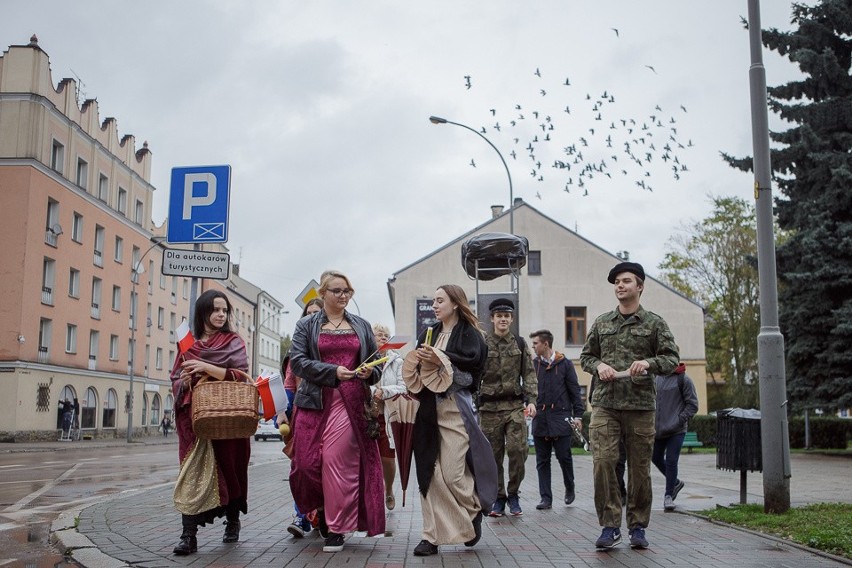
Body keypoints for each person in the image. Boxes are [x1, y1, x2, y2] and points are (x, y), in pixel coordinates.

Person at [580, 261, 678, 550]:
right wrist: (599, 367)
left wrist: (648, 362)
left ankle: (637, 527)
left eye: (626, 281)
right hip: (606, 405)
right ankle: (610, 526)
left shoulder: (654, 323)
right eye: (616, 282)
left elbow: (671, 359)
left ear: (640, 287)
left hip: (640, 406)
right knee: (603, 464)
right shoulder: (602, 323)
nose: (620, 286)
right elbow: (586, 357)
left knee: (639, 469)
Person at [288, 271, 385, 553]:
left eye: (347, 291)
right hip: (314, 400)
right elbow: (298, 362)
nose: (343, 296)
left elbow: (377, 365)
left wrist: (369, 372)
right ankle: (321, 509)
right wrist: (332, 371)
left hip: (351, 401)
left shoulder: (362, 325)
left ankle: (336, 527)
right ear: (323, 293)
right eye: (337, 291)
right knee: (305, 466)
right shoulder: (306, 325)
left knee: (336, 462)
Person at [407, 284, 497, 557]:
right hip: (427, 413)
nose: (434, 305)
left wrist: (442, 363)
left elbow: (471, 378)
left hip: (455, 409)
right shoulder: (428, 334)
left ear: (455, 303)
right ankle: (430, 537)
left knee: (453, 473)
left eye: (439, 300)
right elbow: (419, 373)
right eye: (433, 301)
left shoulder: (471, 336)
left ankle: (473, 511)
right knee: (429, 473)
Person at [170, 289, 251, 556]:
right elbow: (176, 378)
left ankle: (233, 521)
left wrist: (205, 367)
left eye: (224, 310)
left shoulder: (234, 341)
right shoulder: (187, 344)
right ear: (203, 311)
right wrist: (183, 381)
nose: (220, 314)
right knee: (192, 472)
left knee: (229, 470)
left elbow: (241, 376)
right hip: (195, 420)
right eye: (215, 309)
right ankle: (188, 536)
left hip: (227, 418)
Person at [479, 298, 537, 517]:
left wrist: (531, 401)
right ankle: (499, 498)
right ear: (492, 318)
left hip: (514, 406)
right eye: (499, 316)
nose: (503, 319)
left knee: (518, 450)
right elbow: (476, 376)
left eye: (507, 316)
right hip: (490, 408)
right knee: (493, 456)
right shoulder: (483, 344)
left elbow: (529, 374)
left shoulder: (520, 344)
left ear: (511, 319)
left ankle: (513, 493)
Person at [528, 329, 585, 510]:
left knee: (564, 457)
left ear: (545, 344)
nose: (533, 347)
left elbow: (575, 391)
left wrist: (578, 416)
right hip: (540, 418)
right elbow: (528, 390)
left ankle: (570, 487)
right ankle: (546, 498)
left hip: (561, 417)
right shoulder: (533, 365)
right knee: (542, 460)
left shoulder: (565, 364)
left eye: (535, 343)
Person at [281, 297, 323, 539]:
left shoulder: (328, 344)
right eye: (308, 313)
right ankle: (301, 516)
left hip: (328, 416)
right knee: (300, 467)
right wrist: (283, 414)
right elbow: (289, 384)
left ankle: (321, 514)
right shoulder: (296, 348)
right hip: (301, 415)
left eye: (317, 313)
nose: (311, 317)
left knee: (323, 466)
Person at [370, 323, 407, 511]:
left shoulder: (396, 361)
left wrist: (383, 391)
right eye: (379, 335)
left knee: (387, 458)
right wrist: (371, 391)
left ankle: (389, 488)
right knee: (367, 457)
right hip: (368, 414)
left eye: (386, 335)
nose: (383, 338)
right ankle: (372, 494)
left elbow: (403, 387)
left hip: (387, 415)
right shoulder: (363, 358)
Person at [653, 361, 698, 511]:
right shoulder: (656, 377)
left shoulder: (683, 379)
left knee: (672, 460)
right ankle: (676, 482)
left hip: (676, 430)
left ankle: (668, 496)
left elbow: (692, 405)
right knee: (655, 457)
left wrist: (679, 419)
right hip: (658, 429)